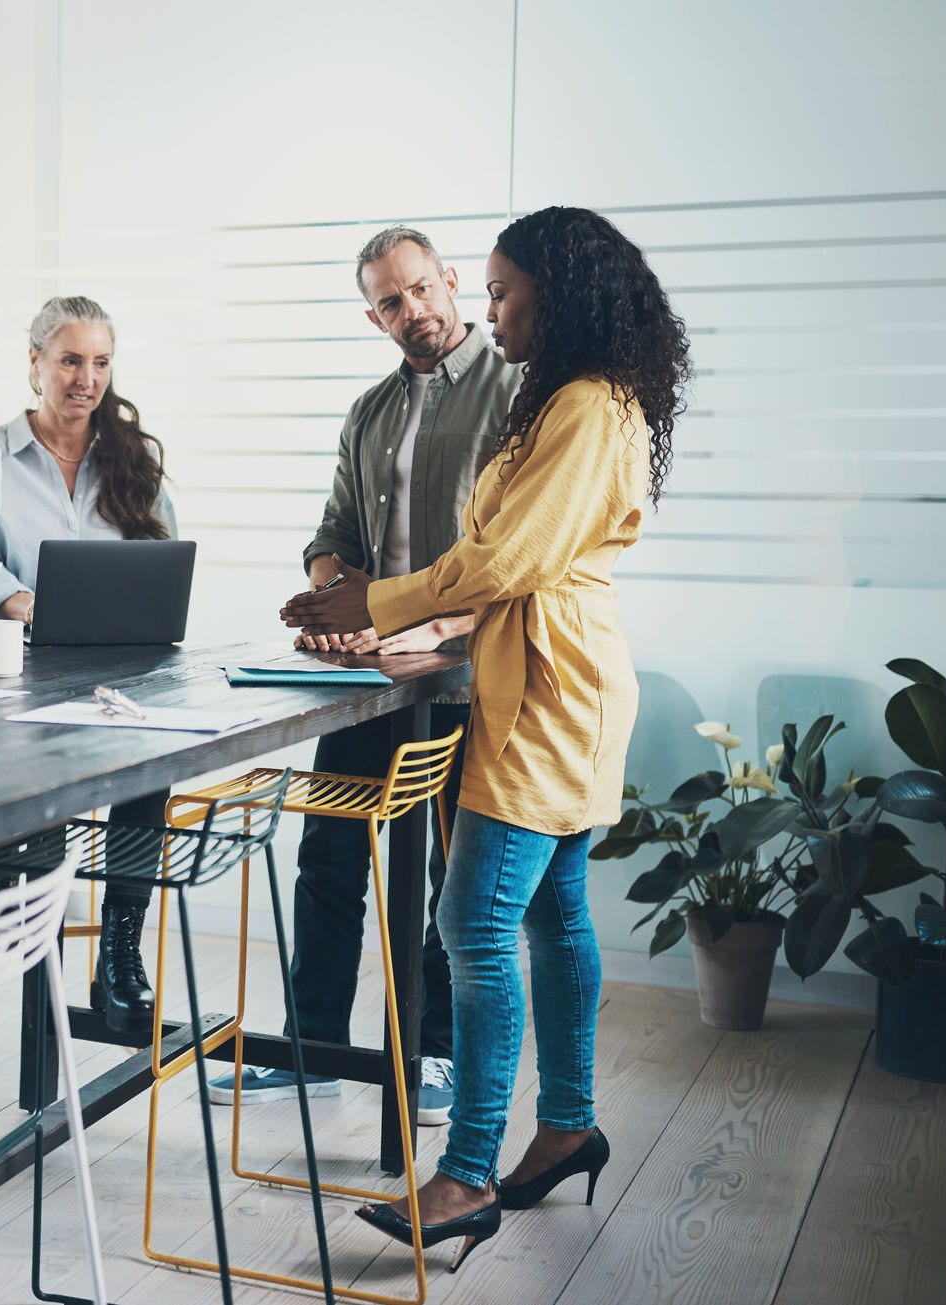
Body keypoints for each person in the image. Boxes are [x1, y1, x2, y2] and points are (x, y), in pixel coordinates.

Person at [282, 206, 689, 1269]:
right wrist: (367, 603)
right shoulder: (565, 400)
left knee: (469, 922)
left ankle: (464, 1175)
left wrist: (373, 605)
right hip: (545, 682)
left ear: (554, 296)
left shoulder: (588, 408)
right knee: (553, 915)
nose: (489, 309)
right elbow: (494, 555)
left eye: (501, 292)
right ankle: (564, 1127)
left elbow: (503, 561)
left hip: (546, 692)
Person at [208, 226, 519, 1124]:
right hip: (363, 682)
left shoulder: (516, 393)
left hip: (465, 678)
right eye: (389, 301)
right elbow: (333, 537)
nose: (410, 311)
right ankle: (312, 1049)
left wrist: (412, 622)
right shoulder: (369, 411)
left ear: (451, 282)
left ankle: (436, 1057)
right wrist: (335, 607)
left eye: (420, 289)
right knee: (329, 855)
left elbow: (507, 555)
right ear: (372, 313)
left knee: (449, 877)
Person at [0, 294, 177, 1039]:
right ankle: (27, 934)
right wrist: (15, 597)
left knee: (148, 763)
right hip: (18, 677)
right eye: (69, 360)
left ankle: (120, 948)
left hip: (117, 675)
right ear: (34, 364)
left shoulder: (132, 461)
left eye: (100, 362)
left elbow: (166, 564)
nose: (85, 378)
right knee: (40, 783)